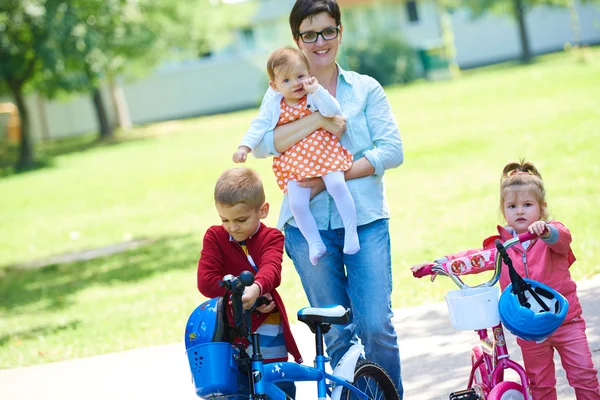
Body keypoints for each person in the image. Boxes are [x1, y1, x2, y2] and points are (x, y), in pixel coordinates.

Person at [251, 0, 405, 396]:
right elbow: (265, 144)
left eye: (327, 31)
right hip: (308, 229)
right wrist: (318, 120)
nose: (320, 41)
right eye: (309, 34)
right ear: (296, 40)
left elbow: (391, 151)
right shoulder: (278, 93)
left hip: (365, 221)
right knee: (336, 334)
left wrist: (322, 179)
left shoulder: (365, 88)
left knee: (376, 326)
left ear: (340, 31)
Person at [412, 160, 600, 400]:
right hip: (528, 328)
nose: (519, 211)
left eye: (527, 204)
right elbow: (473, 259)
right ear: (504, 211)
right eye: (512, 206)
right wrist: (438, 265)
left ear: (542, 208)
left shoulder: (550, 234)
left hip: (565, 321)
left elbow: (562, 239)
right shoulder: (502, 246)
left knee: (584, 374)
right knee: (540, 383)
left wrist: (546, 231)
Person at [233, 46, 359, 265]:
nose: (296, 84)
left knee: (337, 185)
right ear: (274, 86)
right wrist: (244, 146)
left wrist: (317, 90)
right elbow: (259, 126)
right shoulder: (275, 105)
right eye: (287, 80)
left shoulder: (313, 96)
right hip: (295, 163)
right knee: (297, 204)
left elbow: (333, 111)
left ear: (309, 74)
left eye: (300, 76)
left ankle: (351, 232)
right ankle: (314, 242)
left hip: (324, 153)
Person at [196, 167, 303, 398]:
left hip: (268, 327)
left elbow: (271, 270)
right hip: (230, 331)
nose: (232, 228)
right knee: (237, 390)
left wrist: (257, 289)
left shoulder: (271, 237)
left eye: (241, 220)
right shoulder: (215, 237)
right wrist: (239, 294)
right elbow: (206, 281)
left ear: (262, 210)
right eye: (225, 219)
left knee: (276, 385)